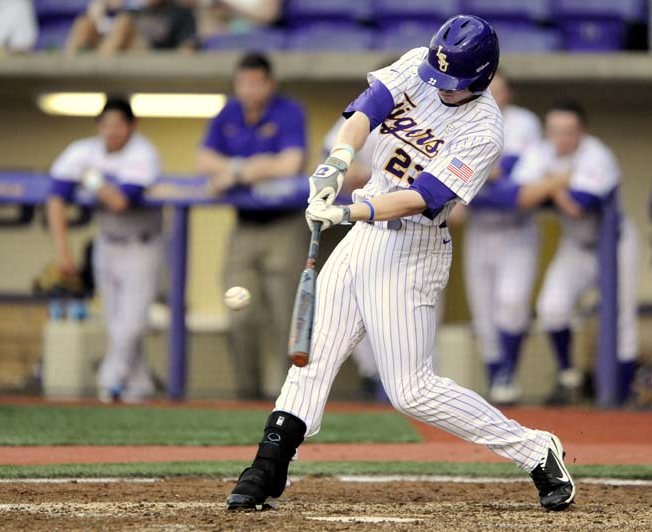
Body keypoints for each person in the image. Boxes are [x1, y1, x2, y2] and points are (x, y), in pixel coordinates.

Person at [226, 15, 575, 513]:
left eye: (452, 84)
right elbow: (368, 108)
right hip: (363, 236)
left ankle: (536, 450)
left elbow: (421, 197)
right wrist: (337, 162)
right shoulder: (423, 62)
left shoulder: (484, 130)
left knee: (411, 391)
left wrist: (349, 210)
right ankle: (266, 468)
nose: (440, 87)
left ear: (480, 78)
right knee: (311, 358)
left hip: (413, 248)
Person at [196, 52, 308, 400]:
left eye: (255, 83)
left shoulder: (288, 111)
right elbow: (203, 160)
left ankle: (288, 402)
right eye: (242, 82)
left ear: (269, 83)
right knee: (239, 312)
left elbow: (290, 164)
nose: (247, 89)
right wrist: (251, 166)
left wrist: (234, 173)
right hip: (244, 229)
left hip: (285, 227)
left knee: (284, 320)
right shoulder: (228, 113)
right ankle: (247, 396)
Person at [520, 101, 640, 406]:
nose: (562, 138)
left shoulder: (596, 154)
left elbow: (579, 206)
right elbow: (520, 197)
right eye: (556, 131)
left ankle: (620, 396)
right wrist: (560, 182)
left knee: (622, 318)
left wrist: (548, 185)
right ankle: (568, 376)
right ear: (548, 133)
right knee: (551, 307)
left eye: (570, 132)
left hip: (615, 244)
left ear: (582, 132)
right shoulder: (540, 152)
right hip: (575, 245)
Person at [47, 96, 163, 403]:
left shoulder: (143, 153)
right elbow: (56, 197)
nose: (112, 131)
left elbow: (120, 201)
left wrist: (92, 178)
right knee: (115, 323)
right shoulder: (82, 150)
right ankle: (137, 388)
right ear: (98, 126)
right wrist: (63, 250)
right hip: (106, 243)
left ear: (132, 126)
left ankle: (108, 381)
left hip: (141, 244)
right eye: (106, 124)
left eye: (119, 124)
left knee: (132, 323)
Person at [456, 72, 544, 405]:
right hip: (480, 228)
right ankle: (498, 381)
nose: (493, 95)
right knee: (483, 311)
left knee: (512, 302)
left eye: (499, 89)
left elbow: (508, 168)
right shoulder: (465, 119)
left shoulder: (523, 122)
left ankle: (508, 371)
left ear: (510, 93)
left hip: (516, 227)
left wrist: (474, 177)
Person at [66, 0, 197, 55]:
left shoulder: (181, 12)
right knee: (84, 24)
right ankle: (68, 71)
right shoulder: (133, 10)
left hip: (150, 59)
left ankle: (99, 70)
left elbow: (187, 48)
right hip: (117, 55)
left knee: (124, 22)